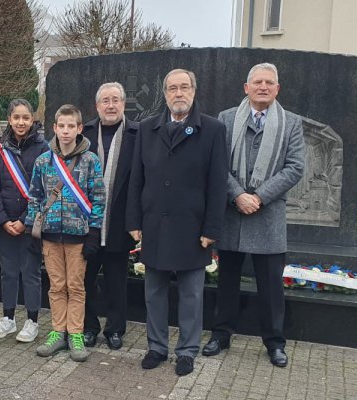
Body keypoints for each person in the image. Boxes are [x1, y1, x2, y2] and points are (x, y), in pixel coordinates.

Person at [127, 69, 228, 376]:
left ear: (194, 92)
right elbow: (136, 179)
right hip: (155, 223)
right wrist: (134, 220)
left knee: (191, 293)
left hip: (192, 227)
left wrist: (211, 229)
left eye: (184, 87)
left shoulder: (212, 130)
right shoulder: (147, 128)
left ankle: (186, 350)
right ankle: (156, 346)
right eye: (172, 88)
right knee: (154, 291)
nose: (179, 93)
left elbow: (218, 183)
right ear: (165, 93)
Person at [206, 63, 305, 368]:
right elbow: (217, 164)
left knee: (271, 286)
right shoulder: (225, 119)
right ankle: (220, 335)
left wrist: (260, 197)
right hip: (233, 213)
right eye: (257, 82)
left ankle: (275, 342)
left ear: (277, 89)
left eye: (269, 82)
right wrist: (237, 194)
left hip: (268, 215)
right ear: (245, 87)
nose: (263, 87)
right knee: (227, 283)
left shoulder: (291, 123)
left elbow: (295, 167)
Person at [26, 104, 106, 363]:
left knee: (76, 286)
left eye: (71, 126)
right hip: (50, 235)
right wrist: (32, 227)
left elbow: (99, 198)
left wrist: (93, 232)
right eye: (62, 126)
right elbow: (35, 196)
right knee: (57, 286)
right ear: (55, 128)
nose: (66, 131)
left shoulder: (90, 160)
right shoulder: (43, 161)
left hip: (78, 236)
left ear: (80, 128)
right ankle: (58, 332)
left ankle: (76, 334)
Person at [80, 82, 139, 350]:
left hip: (119, 219)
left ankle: (115, 329)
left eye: (116, 100)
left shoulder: (137, 133)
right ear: (97, 106)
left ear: (123, 103)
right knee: (86, 279)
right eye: (105, 100)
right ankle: (89, 327)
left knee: (117, 281)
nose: (111, 105)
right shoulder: (86, 133)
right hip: (87, 223)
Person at [0, 99, 48, 342]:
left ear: (32, 119)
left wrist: (25, 220)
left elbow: (43, 188)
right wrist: (2, 219)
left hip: (30, 223)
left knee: (30, 272)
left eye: (26, 117)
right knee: (8, 272)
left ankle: (32, 321)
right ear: (9, 119)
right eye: (16, 117)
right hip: (5, 223)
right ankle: (8, 318)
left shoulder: (43, 148)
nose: (21, 122)